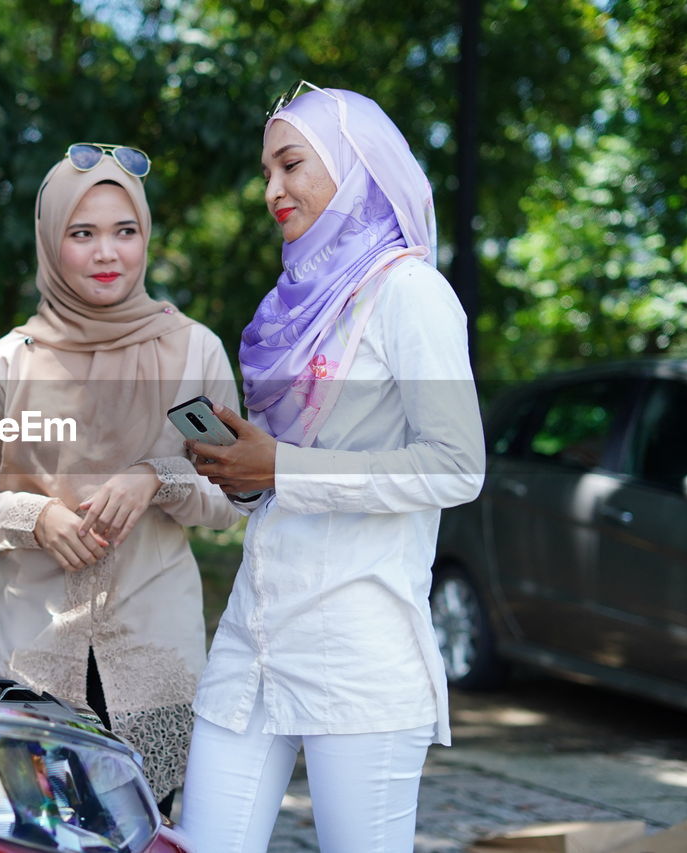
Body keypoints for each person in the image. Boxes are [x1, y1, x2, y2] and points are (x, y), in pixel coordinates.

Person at [178, 84, 486, 851]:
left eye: (290, 165)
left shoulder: (411, 293)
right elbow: (285, 477)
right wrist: (249, 475)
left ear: (356, 168)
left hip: (358, 650)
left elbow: (457, 466)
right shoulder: (295, 308)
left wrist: (282, 465)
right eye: (266, 172)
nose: (271, 190)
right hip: (253, 641)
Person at [0, 143, 240, 811]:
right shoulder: (3, 364)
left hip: (155, 657)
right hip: (31, 653)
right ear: (52, 240)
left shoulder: (196, 350)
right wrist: (35, 518)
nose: (108, 253)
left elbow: (232, 498)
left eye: (124, 231)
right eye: (83, 233)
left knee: (150, 829)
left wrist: (157, 478)